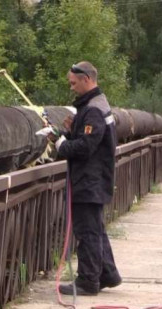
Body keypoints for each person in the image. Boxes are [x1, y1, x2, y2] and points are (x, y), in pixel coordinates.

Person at [52, 61, 122, 296]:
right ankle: (107, 274)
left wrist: (63, 145)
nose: (71, 88)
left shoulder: (93, 109)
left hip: (89, 181)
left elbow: (87, 146)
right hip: (94, 178)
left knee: (87, 232)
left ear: (86, 79)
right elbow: (92, 138)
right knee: (96, 229)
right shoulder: (96, 105)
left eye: (73, 83)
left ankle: (88, 281)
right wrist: (72, 131)